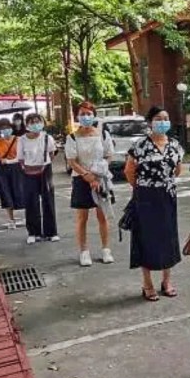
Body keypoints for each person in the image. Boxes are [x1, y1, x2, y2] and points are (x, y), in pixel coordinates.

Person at [125, 106, 184, 301]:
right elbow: (129, 171)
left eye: (166, 118)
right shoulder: (140, 144)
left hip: (167, 197)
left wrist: (163, 183)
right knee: (146, 239)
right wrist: (143, 188)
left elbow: (177, 170)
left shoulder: (175, 144)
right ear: (150, 122)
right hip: (146, 198)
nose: (163, 122)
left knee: (168, 238)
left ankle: (167, 281)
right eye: (158, 118)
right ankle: (147, 283)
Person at [65, 101, 115, 267]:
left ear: (94, 115)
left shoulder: (103, 134)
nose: (86, 117)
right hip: (81, 178)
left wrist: (97, 173)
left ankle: (106, 249)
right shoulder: (72, 138)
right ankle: (84, 251)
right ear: (77, 116)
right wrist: (86, 175)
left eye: (89, 113)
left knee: (102, 215)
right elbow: (71, 161)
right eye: (82, 114)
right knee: (82, 217)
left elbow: (109, 155)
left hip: (101, 177)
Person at [18, 113, 59, 244]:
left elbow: (52, 154)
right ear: (27, 124)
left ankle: (51, 232)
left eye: (38, 121)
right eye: (32, 122)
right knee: (31, 202)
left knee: (48, 200)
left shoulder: (48, 137)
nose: (36, 124)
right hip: (28, 172)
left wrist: (44, 165)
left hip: (45, 170)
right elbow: (20, 158)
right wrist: (28, 169)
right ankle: (33, 232)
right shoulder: (22, 140)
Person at [0, 117, 23, 229]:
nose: (5, 130)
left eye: (7, 128)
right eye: (2, 128)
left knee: (20, 193)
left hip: (17, 169)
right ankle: (11, 219)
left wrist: (10, 161)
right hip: (2, 170)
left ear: (11, 128)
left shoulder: (19, 140)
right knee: (6, 194)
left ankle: (26, 217)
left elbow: (21, 157)